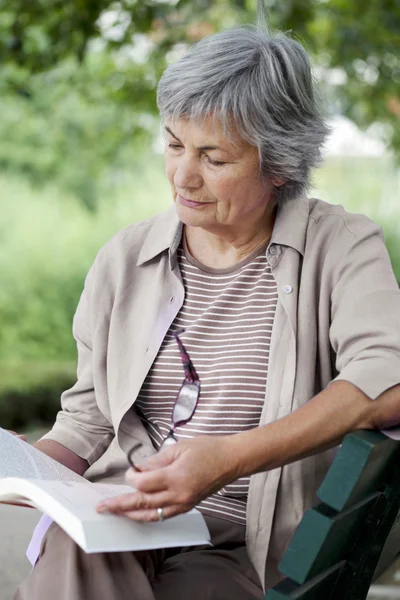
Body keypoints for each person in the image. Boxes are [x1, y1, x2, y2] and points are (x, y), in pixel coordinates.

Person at [12, 19, 400, 600]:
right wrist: (25, 473)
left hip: (244, 545)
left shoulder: (341, 247)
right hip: (123, 517)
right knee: (76, 549)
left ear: (280, 165)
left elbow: (388, 379)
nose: (183, 175)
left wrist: (228, 459)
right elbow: (89, 416)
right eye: (174, 144)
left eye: (215, 158)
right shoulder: (124, 258)